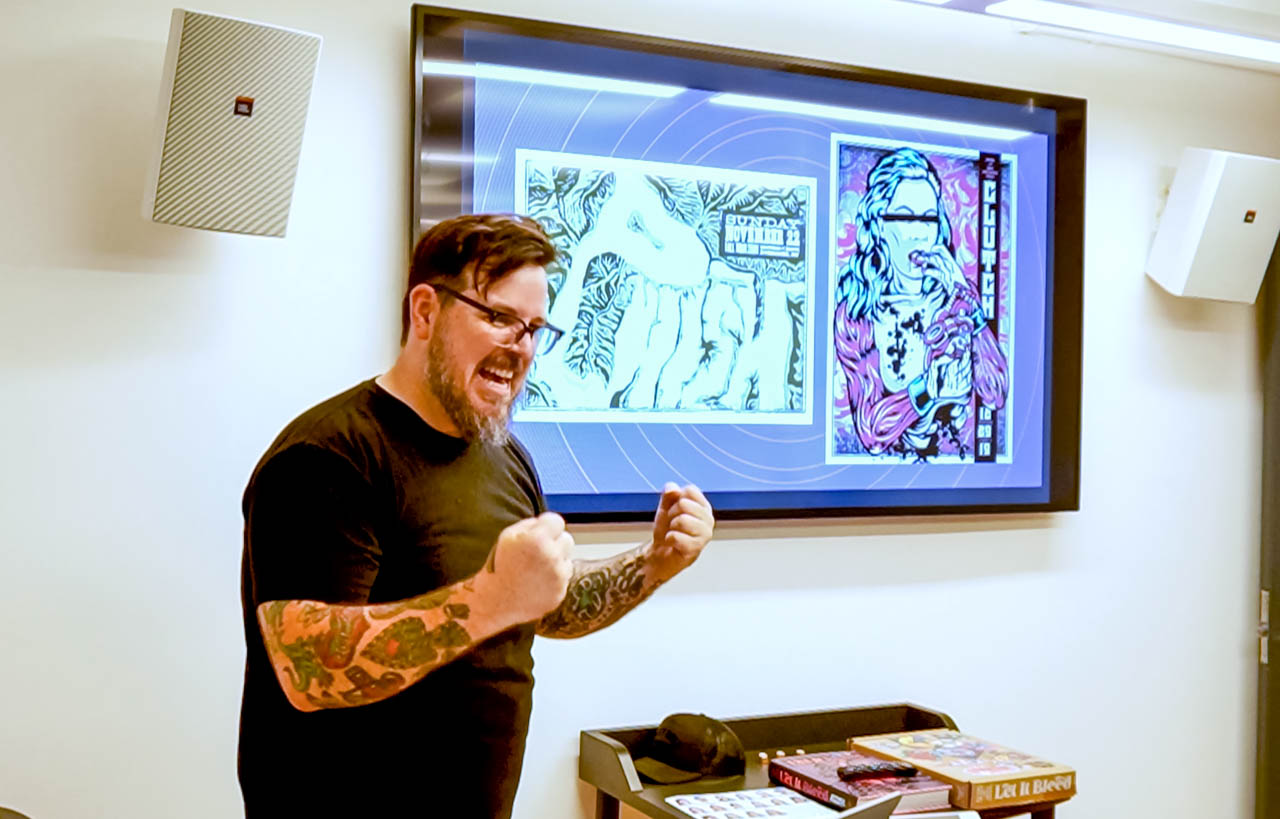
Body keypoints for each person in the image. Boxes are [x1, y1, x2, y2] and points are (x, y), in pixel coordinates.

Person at [237, 213, 715, 817]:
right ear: (425, 312)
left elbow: (547, 605)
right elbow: (306, 672)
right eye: (497, 317)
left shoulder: (502, 454)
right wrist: (489, 598)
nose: (520, 348)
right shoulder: (328, 458)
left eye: (535, 328)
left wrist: (656, 562)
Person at [832, 147, 1008, 460]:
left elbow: (996, 394)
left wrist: (967, 302)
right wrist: (930, 389)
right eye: (906, 217)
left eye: (928, 219)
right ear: (879, 226)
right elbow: (871, 433)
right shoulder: (856, 314)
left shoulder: (958, 297)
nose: (921, 235)